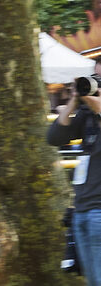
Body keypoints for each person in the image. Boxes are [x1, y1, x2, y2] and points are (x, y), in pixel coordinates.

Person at [48, 59, 101, 285]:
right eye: (96, 77)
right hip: (81, 211)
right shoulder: (88, 115)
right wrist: (73, 100)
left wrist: (89, 97)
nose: (98, 82)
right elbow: (55, 138)